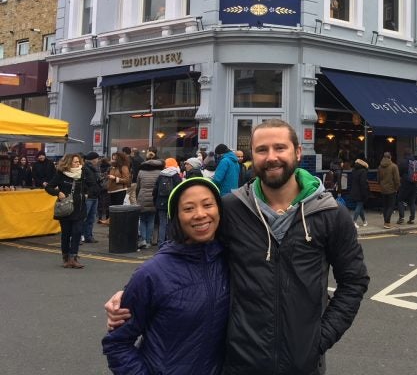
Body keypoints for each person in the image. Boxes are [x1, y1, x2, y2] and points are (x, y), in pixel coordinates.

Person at [107, 119, 369, 374]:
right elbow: (189, 252)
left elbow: (354, 282)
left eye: (280, 148)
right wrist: (134, 292)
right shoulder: (232, 209)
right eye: (262, 150)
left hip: (305, 366)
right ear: (251, 157)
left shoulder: (331, 214)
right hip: (239, 364)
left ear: (298, 152)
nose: (271, 157)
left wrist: (319, 339)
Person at [102, 177, 229, 374]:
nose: (200, 214)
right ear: (175, 217)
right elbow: (117, 344)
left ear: (219, 210)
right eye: (188, 209)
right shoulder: (152, 273)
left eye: (208, 205)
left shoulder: (231, 260)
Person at [45, 154, 87, 268]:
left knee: (77, 232)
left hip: (80, 208)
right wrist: (58, 193)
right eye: (75, 162)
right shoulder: (61, 174)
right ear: (69, 163)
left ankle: (73, 257)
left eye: (79, 162)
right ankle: (66, 257)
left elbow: (93, 185)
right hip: (66, 209)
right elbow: (48, 187)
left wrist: (88, 193)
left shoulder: (83, 173)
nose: (78, 164)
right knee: (66, 234)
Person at [135, 152, 164, 248]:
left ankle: (142, 239)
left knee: (142, 219)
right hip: (154, 198)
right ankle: (148, 241)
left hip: (142, 196)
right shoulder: (160, 173)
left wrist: (137, 196)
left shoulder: (141, 172)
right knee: (151, 220)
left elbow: (138, 186)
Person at [153, 158, 183, 244]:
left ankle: (161, 243)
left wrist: (155, 201)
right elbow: (179, 190)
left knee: (162, 223)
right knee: (171, 223)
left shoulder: (161, 175)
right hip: (172, 203)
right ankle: (170, 242)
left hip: (160, 202)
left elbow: (155, 190)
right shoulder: (176, 176)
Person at [82, 152, 103, 243]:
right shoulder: (85, 168)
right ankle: (81, 236)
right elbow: (83, 182)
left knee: (91, 218)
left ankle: (89, 236)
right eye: (97, 159)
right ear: (94, 159)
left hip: (95, 195)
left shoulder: (94, 169)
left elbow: (95, 182)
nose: (98, 160)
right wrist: (86, 192)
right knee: (84, 217)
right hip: (89, 196)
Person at [377, 152, 400, 228]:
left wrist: (381, 185)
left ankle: (386, 222)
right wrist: (397, 188)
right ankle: (387, 222)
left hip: (383, 189)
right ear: (390, 157)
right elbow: (397, 179)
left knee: (385, 206)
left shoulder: (380, 166)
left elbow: (378, 179)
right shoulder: (394, 166)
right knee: (391, 206)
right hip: (391, 189)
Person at [397, 150, 417, 224]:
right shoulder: (416, 162)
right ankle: (412, 219)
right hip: (415, 184)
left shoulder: (403, 162)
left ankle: (401, 218)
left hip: (405, 184)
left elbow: (399, 173)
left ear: (405, 155)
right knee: (412, 202)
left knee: (400, 200)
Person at [107, 151, 132, 216]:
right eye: (112, 159)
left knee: (117, 209)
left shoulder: (123, 167)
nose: (113, 160)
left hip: (119, 191)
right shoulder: (112, 167)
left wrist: (115, 178)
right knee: (112, 210)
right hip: (111, 191)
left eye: (115, 159)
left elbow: (127, 180)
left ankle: (117, 223)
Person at [347, 156, 369, 228]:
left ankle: (364, 221)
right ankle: (354, 221)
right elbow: (363, 183)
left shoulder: (354, 171)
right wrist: (365, 193)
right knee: (359, 205)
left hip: (354, 191)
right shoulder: (363, 172)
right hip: (360, 192)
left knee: (360, 206)